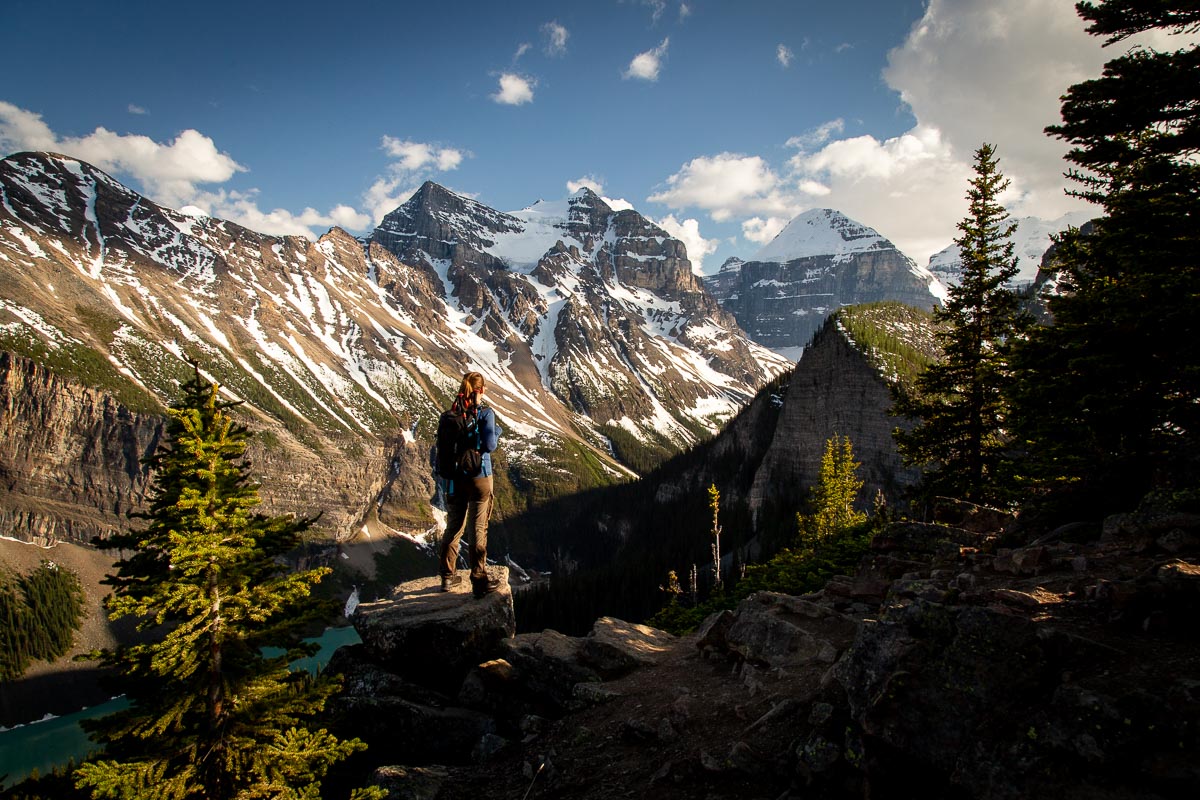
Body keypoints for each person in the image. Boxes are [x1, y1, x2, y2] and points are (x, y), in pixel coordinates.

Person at [439, 371, 503, 598]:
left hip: (455, 479)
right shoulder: (485, 413)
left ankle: (447, 577)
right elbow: (490, 444)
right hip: (479, 477)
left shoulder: (449, 416)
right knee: (478, 528)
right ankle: (479, 579)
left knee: (454, 527)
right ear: (481, 390)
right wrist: (497, 431)